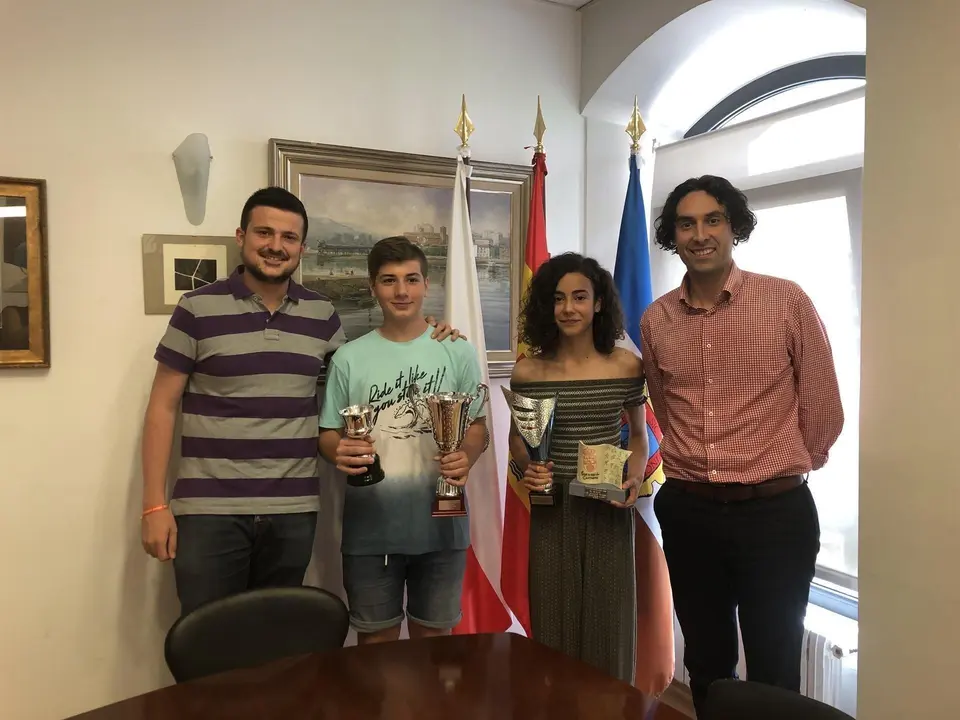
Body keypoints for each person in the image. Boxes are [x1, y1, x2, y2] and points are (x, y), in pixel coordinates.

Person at [140, 188, 462, 617]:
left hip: (292, 510)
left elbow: (364, 378)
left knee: (276, 643)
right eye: (264, 233)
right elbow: (162, 406)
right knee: (210, 644)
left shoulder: (322, 315)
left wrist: (430, 332)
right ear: (241, 236)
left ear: (302, 248)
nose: (276, 246)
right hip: (208, 511)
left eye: (288, 237)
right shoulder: (197, 308)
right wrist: (154, 505)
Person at [640, 175, 844, 715]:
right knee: (706, 664)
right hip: (689, 513)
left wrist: (783, 467)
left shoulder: (784, 300)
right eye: (686, 223)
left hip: (774, 514)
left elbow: (824, 407)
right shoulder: (656, 319)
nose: (699, 234)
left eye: (713, 220)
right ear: (672, 234)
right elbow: (665, 407)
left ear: (734, 227)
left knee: (775, 666)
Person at [317, 236, 488, 644]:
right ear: (373, 287)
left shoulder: (457, 351)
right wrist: (338, 450)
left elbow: (478, 427)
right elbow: (328, 434)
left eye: (411, 279)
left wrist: (466, 454)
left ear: (427, 284)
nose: (401, 291)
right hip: (371, 529)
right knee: (376, 651)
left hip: (442, 526)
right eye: (389, 280)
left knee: (435, 650)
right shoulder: (348, 358)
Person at [507, 252, 649, 684]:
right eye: (558, 299)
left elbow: (640, 438)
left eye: (580, 297)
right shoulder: (529, 371)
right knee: (554, 626)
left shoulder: (627, 366)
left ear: (598, 303)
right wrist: (525, 467)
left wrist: (636, 476)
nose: (569, 308)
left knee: (609, 628)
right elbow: (520, 440)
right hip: (552, 511)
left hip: (606, 508)